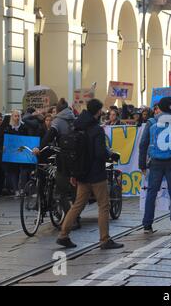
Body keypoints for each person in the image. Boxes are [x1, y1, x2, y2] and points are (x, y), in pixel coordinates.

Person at [57, 99, 124, 249]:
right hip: (96, 173)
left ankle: (63, 234)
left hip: (81, 172)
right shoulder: (96, 129)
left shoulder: (77, 125)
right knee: (104, 205)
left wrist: (74, 173)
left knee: (77, 205)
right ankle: (105, 239)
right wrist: (110, 155)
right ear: (98, 112)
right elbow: (100, 153)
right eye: (100, 110)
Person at [138, 97, 171, 232]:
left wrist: (142, 164)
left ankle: (147, 224)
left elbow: (143, 144)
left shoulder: (151, 121)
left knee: (152, 192)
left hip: (155, 162)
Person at [3, 110, 30, 197]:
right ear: (12, 117)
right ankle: (16, 190)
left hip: (22, 151)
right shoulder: (8, 127)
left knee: (23, 171)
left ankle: (22, 189)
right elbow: (6, 139)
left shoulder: (23, 127)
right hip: (12, 152)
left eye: (18, 116)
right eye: (15, 116)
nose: (17, 118)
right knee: (14, 171)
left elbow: (27, 138)